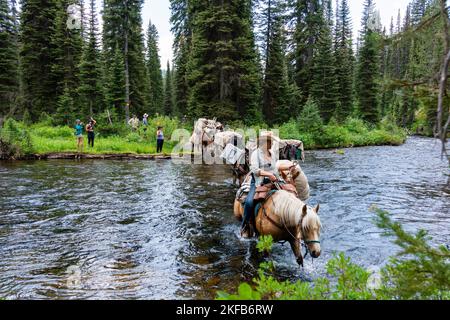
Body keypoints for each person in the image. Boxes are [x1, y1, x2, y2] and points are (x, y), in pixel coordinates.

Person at [240, 132, 292, 238]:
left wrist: (282, 176)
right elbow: (254, 170)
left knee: (290, 194)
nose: (271, 143)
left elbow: (275, 169)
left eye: (271, 141)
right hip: (259, 182)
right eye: (269, 142)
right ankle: (245, 225)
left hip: (273, 181)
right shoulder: (256, 153)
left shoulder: (272, 154)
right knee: (249, 202)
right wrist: (268, 174)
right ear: (263, 142)